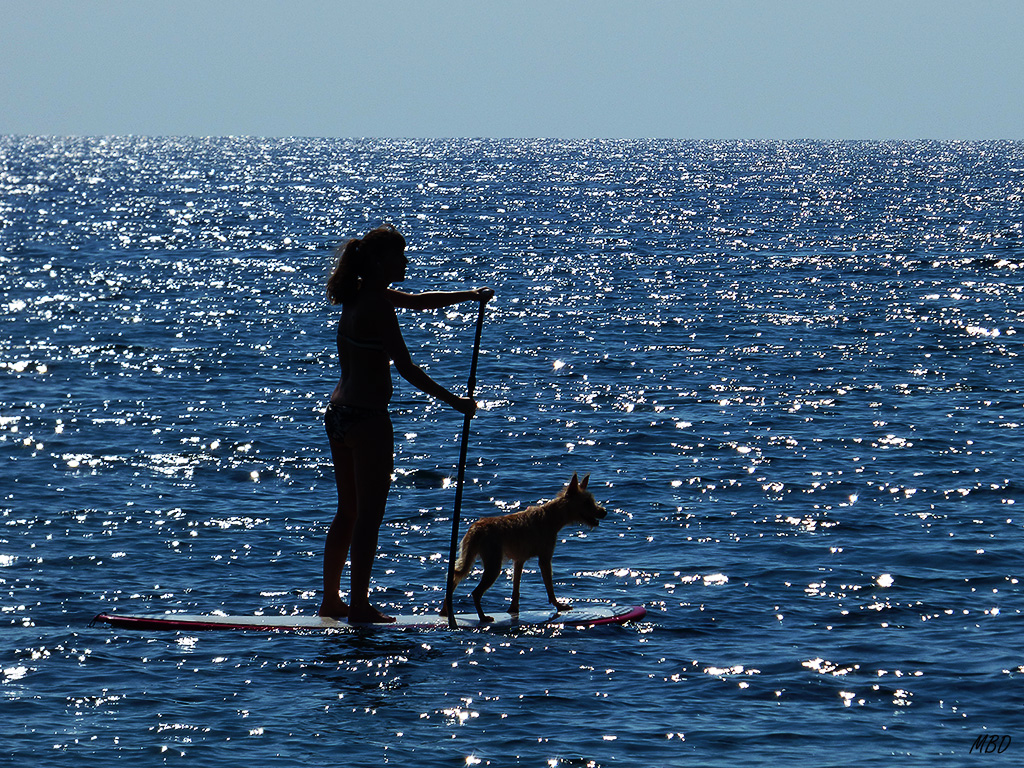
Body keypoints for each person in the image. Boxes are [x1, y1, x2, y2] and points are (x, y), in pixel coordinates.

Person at [320, 224, 493, 622]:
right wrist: (455, 402)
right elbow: (407, 368)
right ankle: (360, 606)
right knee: (367, 516)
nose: (407, 261)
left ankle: (332, 599)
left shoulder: (362, 293)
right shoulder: (378, 304)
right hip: (367, 421)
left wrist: (469, 295)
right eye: (400, 255)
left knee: (348, 511)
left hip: (338, 416)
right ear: (381, 262)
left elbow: (418, 302)